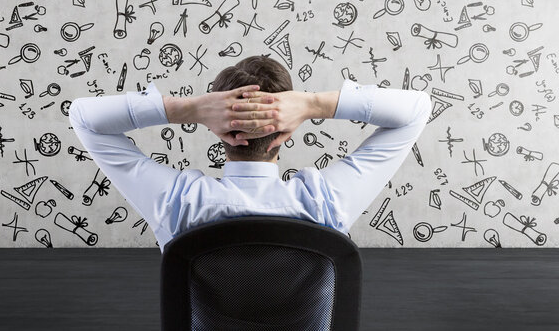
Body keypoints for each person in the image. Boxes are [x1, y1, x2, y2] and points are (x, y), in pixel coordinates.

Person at [69, 55, 432, 252]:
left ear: (218, 129)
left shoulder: (178, 203)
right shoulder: (326, 202)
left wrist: (191, 109)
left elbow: (84, 118)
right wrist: (310, 104)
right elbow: (415, 110)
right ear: (286, 131)